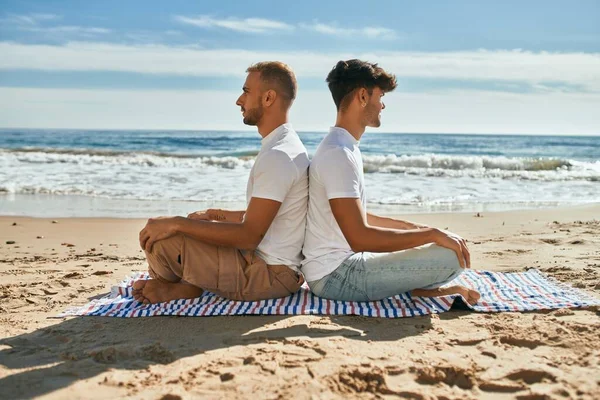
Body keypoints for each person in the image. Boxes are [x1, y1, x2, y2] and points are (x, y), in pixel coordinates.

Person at [301, 59, 480, 305]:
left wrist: (418, 229)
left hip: (339, 268)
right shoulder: (338, 154)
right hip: (336, 277)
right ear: (363, 96)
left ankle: (420, 291)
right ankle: (418, 290)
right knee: (450, 258)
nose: (382, 105)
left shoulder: (344, 147)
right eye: (380, 96)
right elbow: (360, 238)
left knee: (446, 243)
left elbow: (361, 218)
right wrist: (431, 235)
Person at [133, 61, 309, 304]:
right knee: (177, 229)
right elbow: (273, 217)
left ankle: (181, 286)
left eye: (246, 92)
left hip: (268, 275)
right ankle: (185, 284)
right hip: (266, 264)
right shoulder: (283, 145)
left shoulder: (279, 155)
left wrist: (178, 224)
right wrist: (215, 214)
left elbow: (249, 236)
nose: (239, 100)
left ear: (268, 98)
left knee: (161, 240)